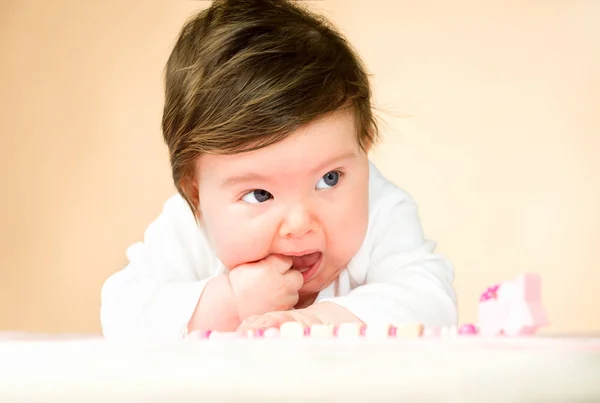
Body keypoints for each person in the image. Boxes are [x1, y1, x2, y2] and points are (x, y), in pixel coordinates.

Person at [100, 0, 457, 340]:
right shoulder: (189, 227)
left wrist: (317, 322)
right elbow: (121, 313)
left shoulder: (381, 209)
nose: (301, 223)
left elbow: (430, 300)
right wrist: (228, 303)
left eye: (328, 179)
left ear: (365, 143)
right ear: (196, 193)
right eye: (260, 195)